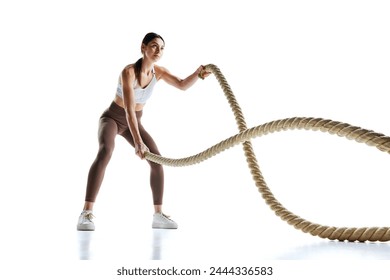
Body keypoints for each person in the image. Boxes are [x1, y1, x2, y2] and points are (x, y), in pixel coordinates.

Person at [77, 32, 210, 231]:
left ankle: (158, 215)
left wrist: (198, 75)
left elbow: (182, 85)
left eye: (162, 48)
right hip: (113, 118)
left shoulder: (159, 72)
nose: (158, 51)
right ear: (143, 47)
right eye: (154, 46)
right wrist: (138, 142)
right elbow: (129, 110)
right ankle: (85, 213)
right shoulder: (128, 72)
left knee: (156, 160)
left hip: (134, 122)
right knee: (105, 151)